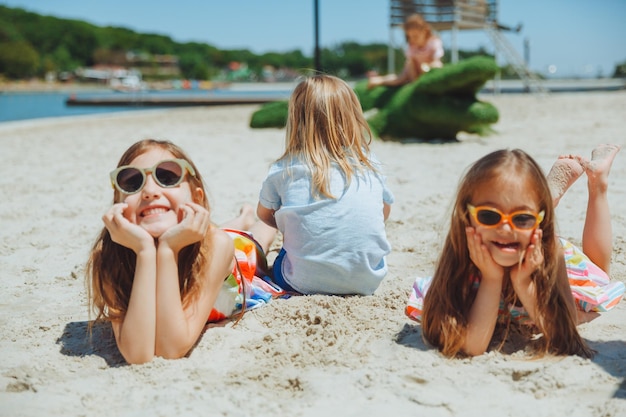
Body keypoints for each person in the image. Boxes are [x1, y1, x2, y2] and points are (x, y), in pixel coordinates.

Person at [406, 145, 624, 358]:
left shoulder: (551, 253)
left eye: (522, 217)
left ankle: (598, 185)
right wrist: (491, 278)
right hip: (521, 239)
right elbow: (473, 347)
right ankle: (542, 202)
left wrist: (524, 283)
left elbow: (563, 338)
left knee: (601, 278)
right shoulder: (463, 254)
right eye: (489, 216)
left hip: (537, 252)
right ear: (466, 217)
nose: (506, 228)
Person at [86, 139, 281, 364]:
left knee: (257, 238)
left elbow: (171, 348)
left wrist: (168, 250)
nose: (149, 191)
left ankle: (247, 218)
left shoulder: (216, 246)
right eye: (132, 182)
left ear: (196, 197)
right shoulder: (109, 256)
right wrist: (145, 253)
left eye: (167, 178)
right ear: (117, 201)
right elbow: (137, 353)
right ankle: (241, 218)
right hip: (199, 235)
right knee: (224, 230)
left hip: (237, 256)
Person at [257, 74, 394, 295]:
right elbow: (384, 212)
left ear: (296, 121)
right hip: (367, 280)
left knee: (272, 239)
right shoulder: (369, 165)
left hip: (301, 282)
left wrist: (293, 225)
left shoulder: (285, 169)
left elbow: (264, 215)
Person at [368, 13, 444, 89]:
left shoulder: (434, 42)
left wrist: (428, 67)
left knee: (438, 65)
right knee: (399, 80)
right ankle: (379, 80)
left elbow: (437, 61)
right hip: (412, 71)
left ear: (424, 31)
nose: (412, 39)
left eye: (415, 36)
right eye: (409, 36)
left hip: (427, 69)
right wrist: (414, 82)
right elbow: (410, 63)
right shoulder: (412, 46)